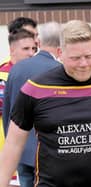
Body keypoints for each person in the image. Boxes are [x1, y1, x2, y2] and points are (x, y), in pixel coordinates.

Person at [0, 19, 91, 187]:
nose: (83, 64)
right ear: (60, 53)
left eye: (89, 56)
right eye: (75, 58)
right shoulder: (35, 88)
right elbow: (13, 144)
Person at [3, 21, 61, 187]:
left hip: (21, 149)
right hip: (51, 151)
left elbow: (8, 112)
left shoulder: (16, 69)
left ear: (39, 42)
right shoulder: (60, 71)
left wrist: (11, 145)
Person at [0, 17, 38, 151]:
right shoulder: (2, 74)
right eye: (30, 35)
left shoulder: (44, 72)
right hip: (8, 150)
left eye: (36, 36)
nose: (35, 40)